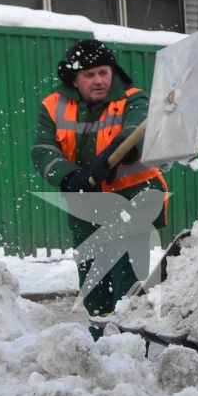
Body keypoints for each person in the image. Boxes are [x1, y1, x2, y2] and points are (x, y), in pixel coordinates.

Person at [32, 39, 167, 331]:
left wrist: (120, 150)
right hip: (87, 207)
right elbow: (42, 150)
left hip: (134, 199)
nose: (98, 80)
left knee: (126, 279)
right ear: (74, 79)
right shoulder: (53, 107)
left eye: (103, 72)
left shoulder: (133, 98)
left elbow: (138, 127)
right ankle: (102, 341)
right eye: (89, 75)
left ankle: (130, 342)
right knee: (94, 282)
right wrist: (68, 176)